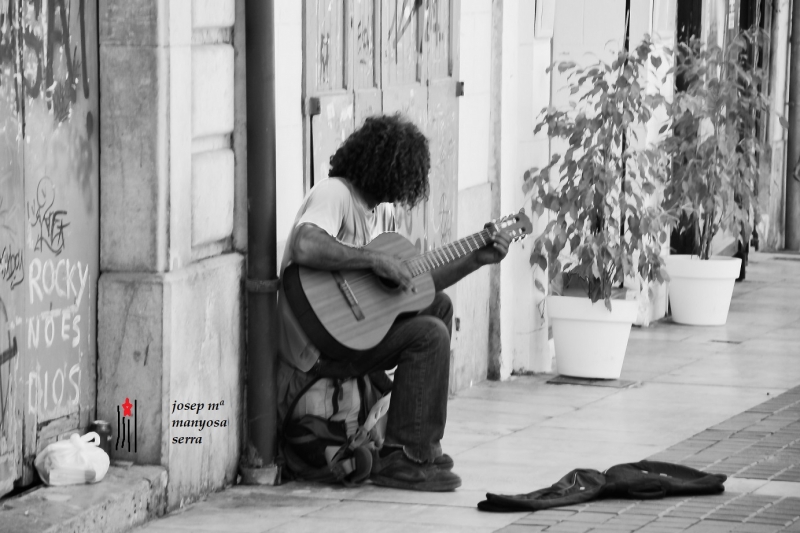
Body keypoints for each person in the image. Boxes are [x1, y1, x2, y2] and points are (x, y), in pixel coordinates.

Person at [276, 113, 511, 492]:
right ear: (384, 166)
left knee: (440, 309)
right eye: (404, 171)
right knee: (429, 334)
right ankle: (403, 455)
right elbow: (304, 244)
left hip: (353, 338)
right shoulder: (335, 193)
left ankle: (419, 442)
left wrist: (475, 258)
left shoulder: (382, 215)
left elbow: (414, 288)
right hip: (317, 343)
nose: (407, 183)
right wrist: (371, 259)